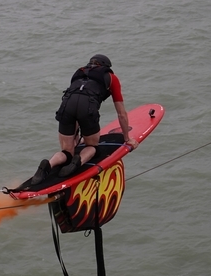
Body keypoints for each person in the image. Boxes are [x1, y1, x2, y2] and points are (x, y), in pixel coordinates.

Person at [31, 54, 138, 185]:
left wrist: (75, 137)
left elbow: (75, 101)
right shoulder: (111, 78)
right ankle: (78, 162)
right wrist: (127, 139)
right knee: (92, 146)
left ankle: (48, 164)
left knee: (67, 151)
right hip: (87, 107)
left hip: (66, 106)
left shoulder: (79, 72)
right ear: (106, 66)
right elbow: (121, 113)